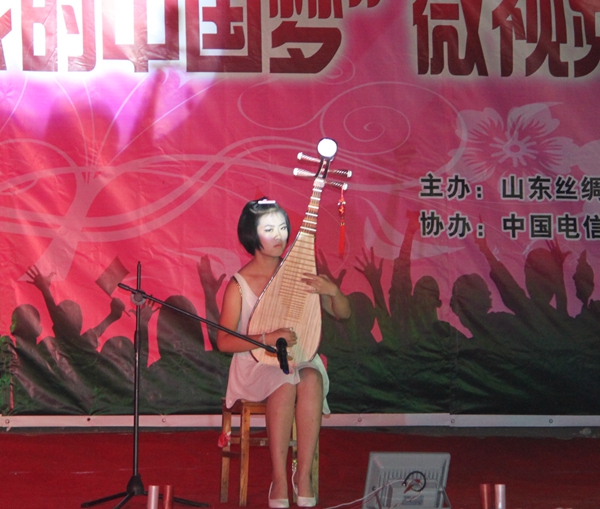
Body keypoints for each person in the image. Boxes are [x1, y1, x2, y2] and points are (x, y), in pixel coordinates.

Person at [217, 198, 350, 508]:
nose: (278, 236)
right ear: (252, 235)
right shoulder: (239, 285)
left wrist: (333, 292)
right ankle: (279, 478)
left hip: (298, 358)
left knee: (311, 378)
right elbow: (224, 341)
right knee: (285, 379)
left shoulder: (299, 274)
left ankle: (303, 476)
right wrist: (266, 338)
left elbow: (343, 313)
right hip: (255, 365)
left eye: (282, 228)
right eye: (269, 230)